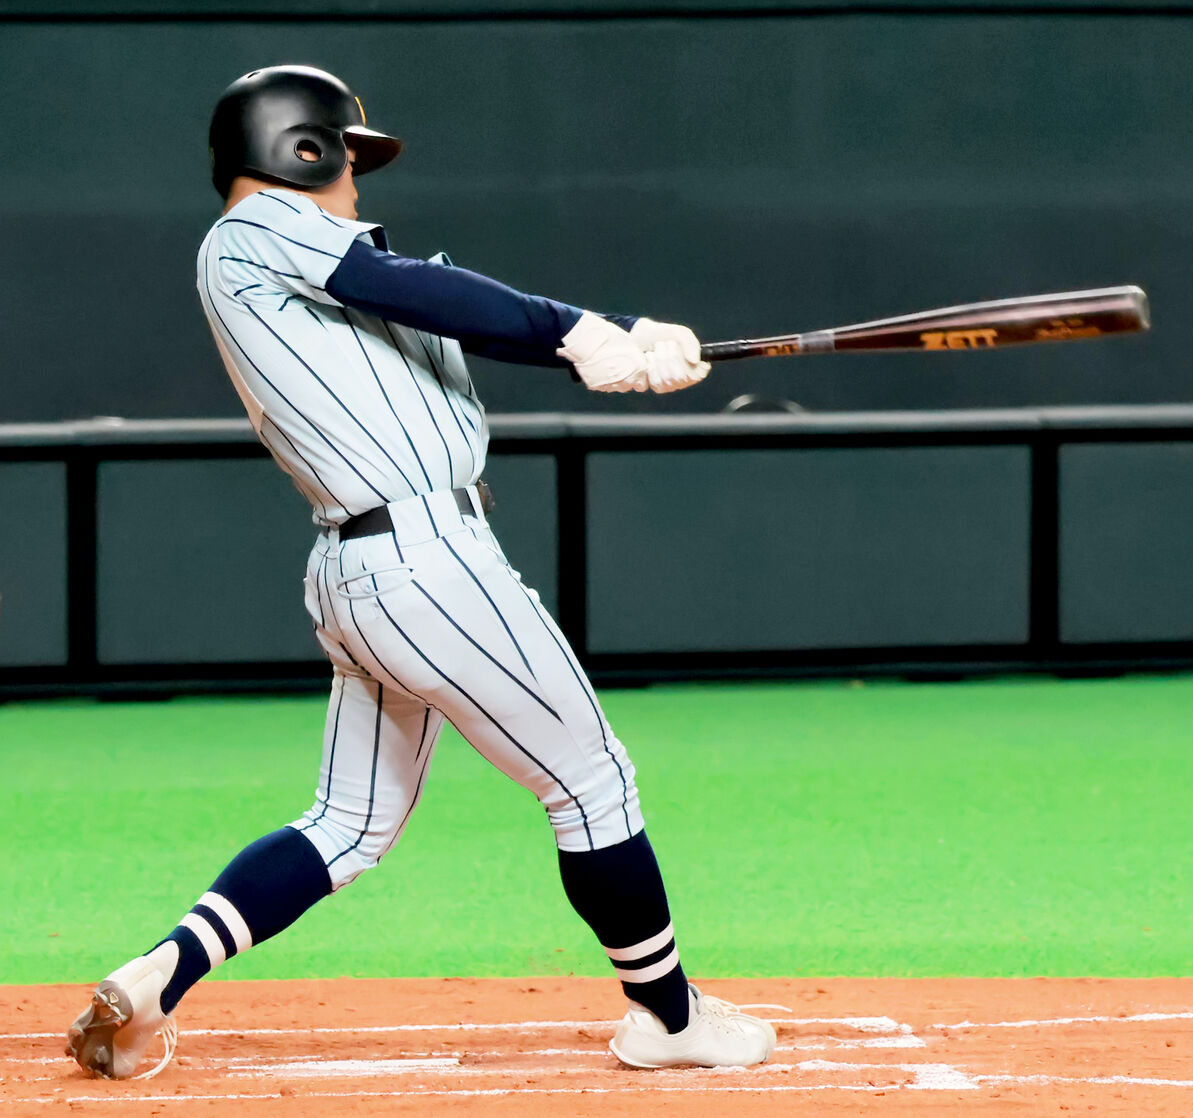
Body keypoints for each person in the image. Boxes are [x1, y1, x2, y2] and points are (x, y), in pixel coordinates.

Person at [65, 64, 775, 1081]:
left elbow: (457, 315)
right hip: (428, 565)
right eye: (350, 155)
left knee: (348, 823)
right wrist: (582, 331)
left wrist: (614, 340)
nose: (359, 178)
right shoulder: (261, 231)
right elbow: (423, 289)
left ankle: (153, 977)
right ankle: (667, 1016)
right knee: (592, 780)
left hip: (366, 569)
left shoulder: (303, 269)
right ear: (300, 149)